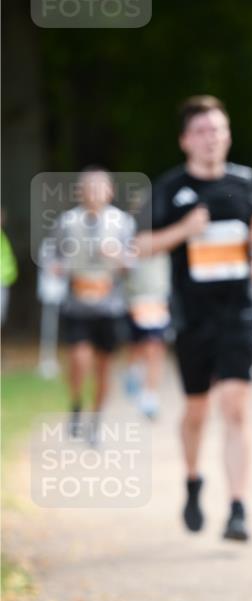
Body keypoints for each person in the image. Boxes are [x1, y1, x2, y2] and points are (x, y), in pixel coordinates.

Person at [135, 96, 252, 541]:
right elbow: (141, 246)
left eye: (218, 129)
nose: (211, 138)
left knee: (235, 407)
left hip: (238, 313)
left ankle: (238, 507)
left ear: (228, 134)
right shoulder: (170, 187)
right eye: (201, 131)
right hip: (192, 317)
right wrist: (182, 231)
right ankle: (193, 482)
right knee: (197, 411)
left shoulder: (245, 181)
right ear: (184, 140)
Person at [49, 168, 134, 439]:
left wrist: (118, 257)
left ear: (110, 191)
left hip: (108, 306)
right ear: (79, 191)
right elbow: (53, 255)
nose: (94, 192)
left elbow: (133, 263)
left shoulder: (122, 223)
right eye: (89, 187)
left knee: (103, 367)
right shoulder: (66, 221)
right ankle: (76, 404)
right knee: (78, 359)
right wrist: (59, 268)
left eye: (100, 187)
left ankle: (96, 420)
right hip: (77, 304)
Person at [123, 246, 171, 420]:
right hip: (134, 298)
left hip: (158, 299)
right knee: (137, 346)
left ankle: (150, 395)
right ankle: (132, 373)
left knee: (154, 346)